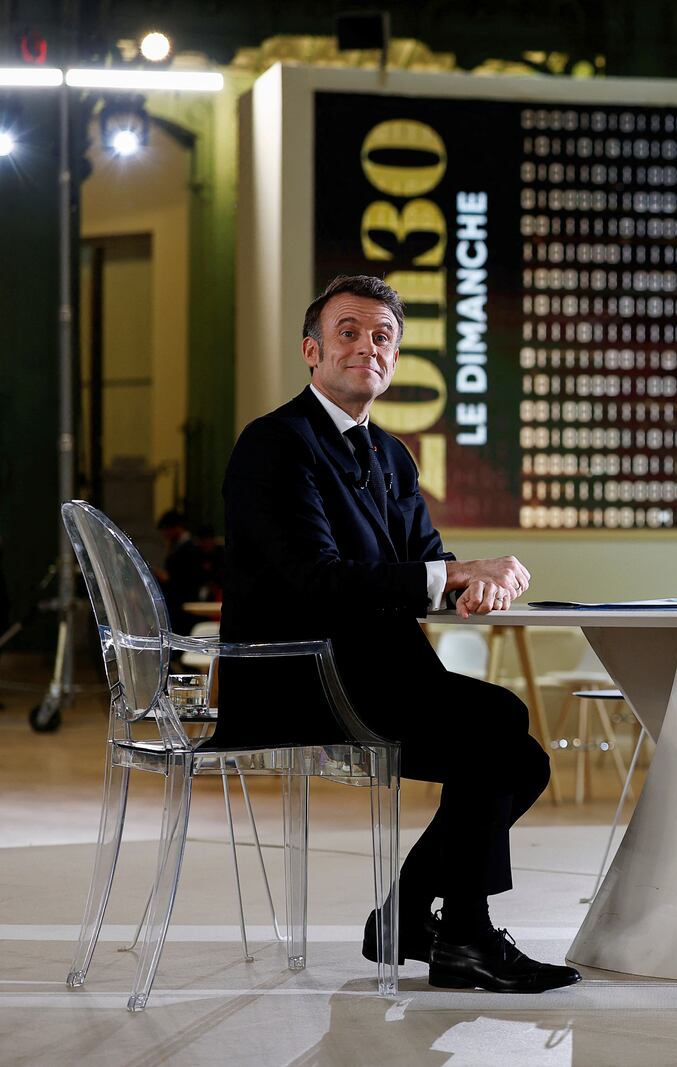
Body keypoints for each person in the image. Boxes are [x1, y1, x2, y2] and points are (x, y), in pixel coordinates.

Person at [217, 275, 579, 994]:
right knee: (494, 724)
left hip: (378, 673)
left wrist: (480, 581)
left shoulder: (390, 455)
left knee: (522, 759)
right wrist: (450, 573)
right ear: (311, 350)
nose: (367, 346)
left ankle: (410, 913)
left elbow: (427, 560)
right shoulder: (274, 444)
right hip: (296, 677)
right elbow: (311, 579)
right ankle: (463, 937)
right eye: (349, 331)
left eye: (383, 336)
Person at [155, 510, 207, 635]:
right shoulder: (179, 546)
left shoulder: (188, 548)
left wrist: (165, 576)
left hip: (183, 602)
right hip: (177, 601)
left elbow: (184, 578)